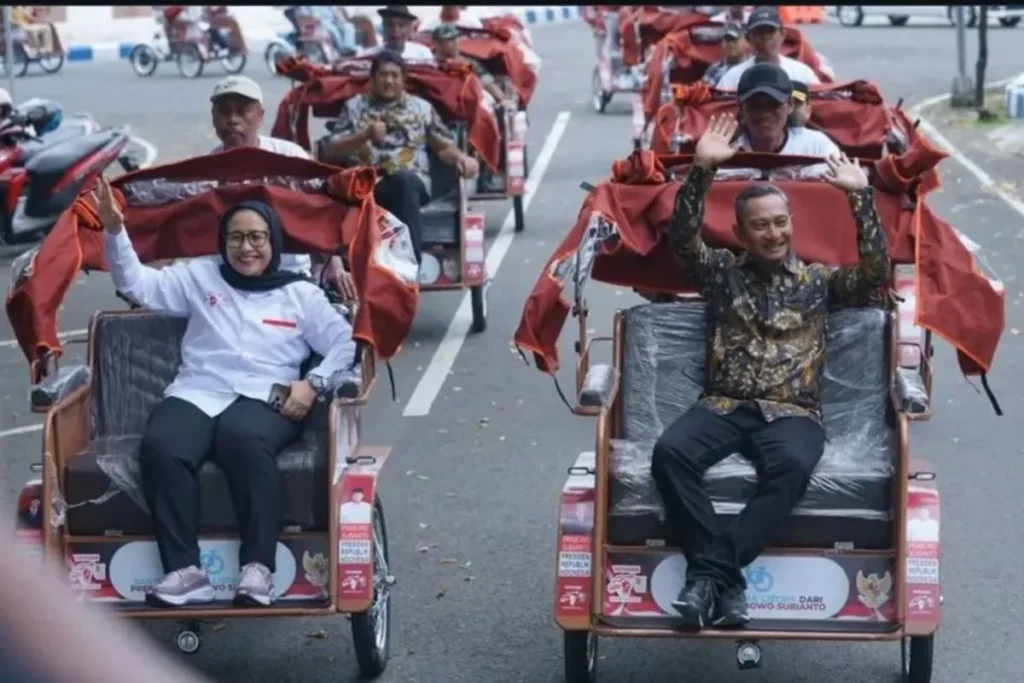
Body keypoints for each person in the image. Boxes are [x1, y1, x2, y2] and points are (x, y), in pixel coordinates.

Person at [649, 113, 890, 629]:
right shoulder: (721, 274)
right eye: (760, 225)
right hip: (723, 404)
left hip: (792, 411)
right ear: (741, 232)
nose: (773, 232)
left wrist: (859, 197)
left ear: (792, 224)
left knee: (792, 469)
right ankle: (727, 584)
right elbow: (683, 241)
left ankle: (708, 578)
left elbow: (875, 274)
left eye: (780, 222)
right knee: (669, 454)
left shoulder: (819, 281)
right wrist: (701, 172)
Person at [91, 178, 358, 608]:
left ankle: (258, 569)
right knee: (162, 444)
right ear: (222, 242)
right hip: (200, 388)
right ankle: (184, 571)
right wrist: (114, 231)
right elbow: (138, 284)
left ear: (273, 242)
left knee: (241, 439)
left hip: (267, 395)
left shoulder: (301, 294)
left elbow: (345, 343)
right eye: (236, 238)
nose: (246, 248)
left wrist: (314, 383)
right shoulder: (200, 277)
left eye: (256, 238)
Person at [319, 50, 479, 263]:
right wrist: (363, 135)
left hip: (412, 185)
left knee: (403, 181)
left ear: (403, 79)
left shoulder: (422, 109)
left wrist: (462, 159)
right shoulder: (353, 107)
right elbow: (332, 150)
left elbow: (443, 147)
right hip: (367, 188)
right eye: (383, 75)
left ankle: (409, 264)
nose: (389, 80)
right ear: (373, 79)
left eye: (395, 75)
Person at [208, 76, 354, 299]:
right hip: (229, 275)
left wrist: (334, 265)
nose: (233, 120)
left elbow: (320, 210)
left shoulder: (289, 156)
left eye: (242, 111)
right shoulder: (204, 170)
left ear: (260, 116)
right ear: (214, 118)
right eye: (224, 112)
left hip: (290, 271)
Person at [723, 63, 840, 179]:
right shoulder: (724, 150)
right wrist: (706, 164)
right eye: (755, 105)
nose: (764, 114)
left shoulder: (816, 147)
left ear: (790, 105)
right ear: (741, 108)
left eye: (773, 104)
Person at [713, 7, 820, 90]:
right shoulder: (732, 78)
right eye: (759, 32)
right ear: (748, 38)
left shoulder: (801, 74)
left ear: (782, 34)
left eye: (770, 31)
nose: (765, 37)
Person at [431, 23, 510, 105]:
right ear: (437, 44)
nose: (455, 43)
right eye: (449, 40)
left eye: (456, 38)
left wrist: (502, 100)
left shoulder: (467, 63)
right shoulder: (430, 65)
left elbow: (487, 83)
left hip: (470, 102)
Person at [357, 5, 435, 63]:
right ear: (383, 27)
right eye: (390, 25)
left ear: (409, 29)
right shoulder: (369, 55)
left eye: (401, 25)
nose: (396, 30)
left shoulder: (423, 54)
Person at [703, 21, 746, 86]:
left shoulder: (752, 67)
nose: (730, 44)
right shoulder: (714, 70)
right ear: (722, 43)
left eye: (734, 39)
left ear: (744, 41)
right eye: (727, 40)